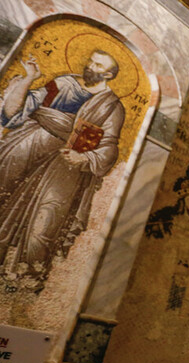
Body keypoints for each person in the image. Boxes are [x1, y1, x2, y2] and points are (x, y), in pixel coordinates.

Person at [0, 50, 124, 290]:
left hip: (66, 166)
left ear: (108, 74)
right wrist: (28, 79)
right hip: (25, 149)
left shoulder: (111, 107)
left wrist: (85, 157)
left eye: (98, 65)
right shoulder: (62, 84)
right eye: (90, 60)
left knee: (46, 221)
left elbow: (109, 146)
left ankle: (23, 279)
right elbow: (12, 113)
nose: (90, 65)